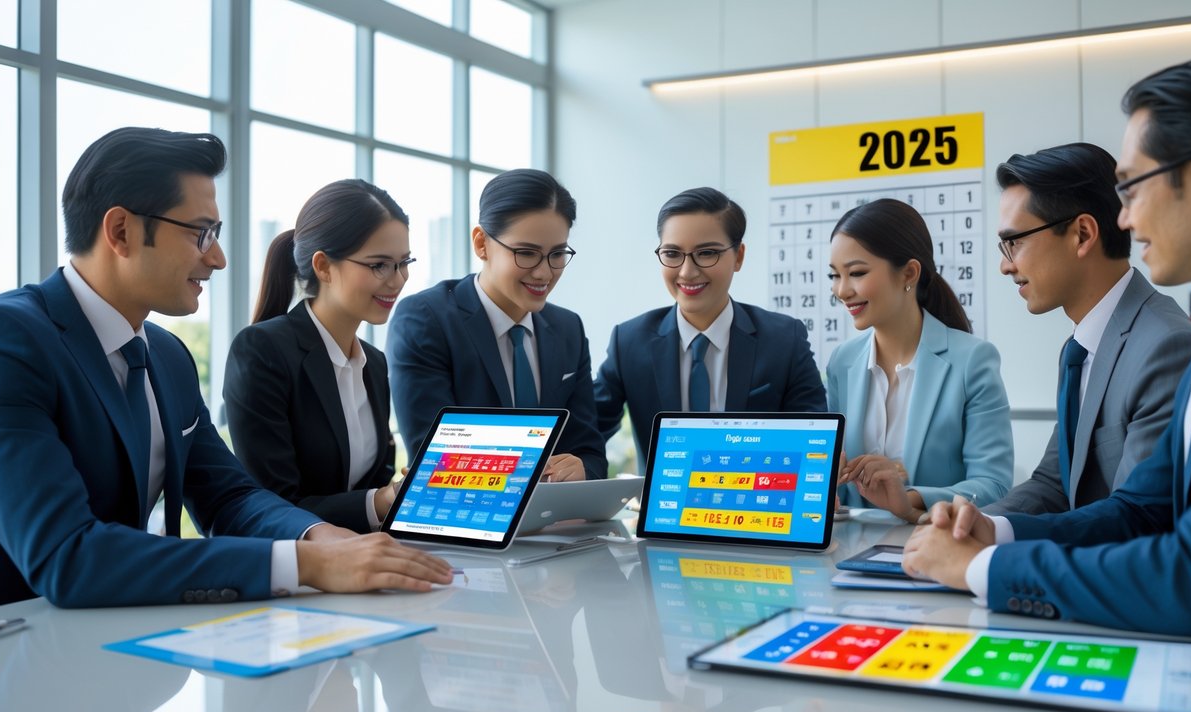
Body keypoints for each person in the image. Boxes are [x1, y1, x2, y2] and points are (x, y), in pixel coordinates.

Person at [0, 128, 451, 616]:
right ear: (121, 231)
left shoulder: (167, 356)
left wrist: (320, 536)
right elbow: (67, 556)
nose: (218, 258)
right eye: (201, 233)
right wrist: (306, 563)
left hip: (110, 644)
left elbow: (229, 495)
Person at [904, 54, 1191, 635]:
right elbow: (1141, 509)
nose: (1123, 219)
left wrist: (984, 567)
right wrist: (996, 531)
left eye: (1131, 187)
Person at [983, 143, 1191, 515]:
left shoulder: (1165, 347)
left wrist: (994, 540)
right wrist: (973, 525)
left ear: (1082, 234)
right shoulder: (1078, 348)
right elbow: (1053, 484)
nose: (1005, 266)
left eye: (1014, 242)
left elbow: (1136, 517)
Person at [387, 169, 606, 481]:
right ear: (482, 244)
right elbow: (433, 456)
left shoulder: (567, 328)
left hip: (555, 522)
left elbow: (591, 452)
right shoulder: (426, 319)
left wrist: (582, 469)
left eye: (557, 254)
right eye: (526, 253)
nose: (544, 273)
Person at [224, 180, 413, 534]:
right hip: (291, 569)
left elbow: (375, 480)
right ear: (324, 267)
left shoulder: (373, 363)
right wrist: (380, 500)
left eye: (404, 263)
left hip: (360, 562)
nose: (397, 280)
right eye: (379, 265)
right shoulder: (262, 351)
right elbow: (273, 503)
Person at [593, 187, 826, 469]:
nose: (687, 271)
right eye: (672, 253)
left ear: (738, 256)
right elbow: (587, 433)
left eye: (706, 253)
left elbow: (814, 439)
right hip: (663, 507)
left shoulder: (784, 339)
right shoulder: (629, 341)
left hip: (753, 504)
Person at [825, 198, 1012, 523]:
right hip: (847, 553)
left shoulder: (973, 361)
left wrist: (907, 498)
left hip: (935, 546)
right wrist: (826, 488)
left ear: (909, 273)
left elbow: (993, 485)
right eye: (834, 275)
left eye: (856, 273)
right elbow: (833, 485)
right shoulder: (842, 363)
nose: (842, 290)